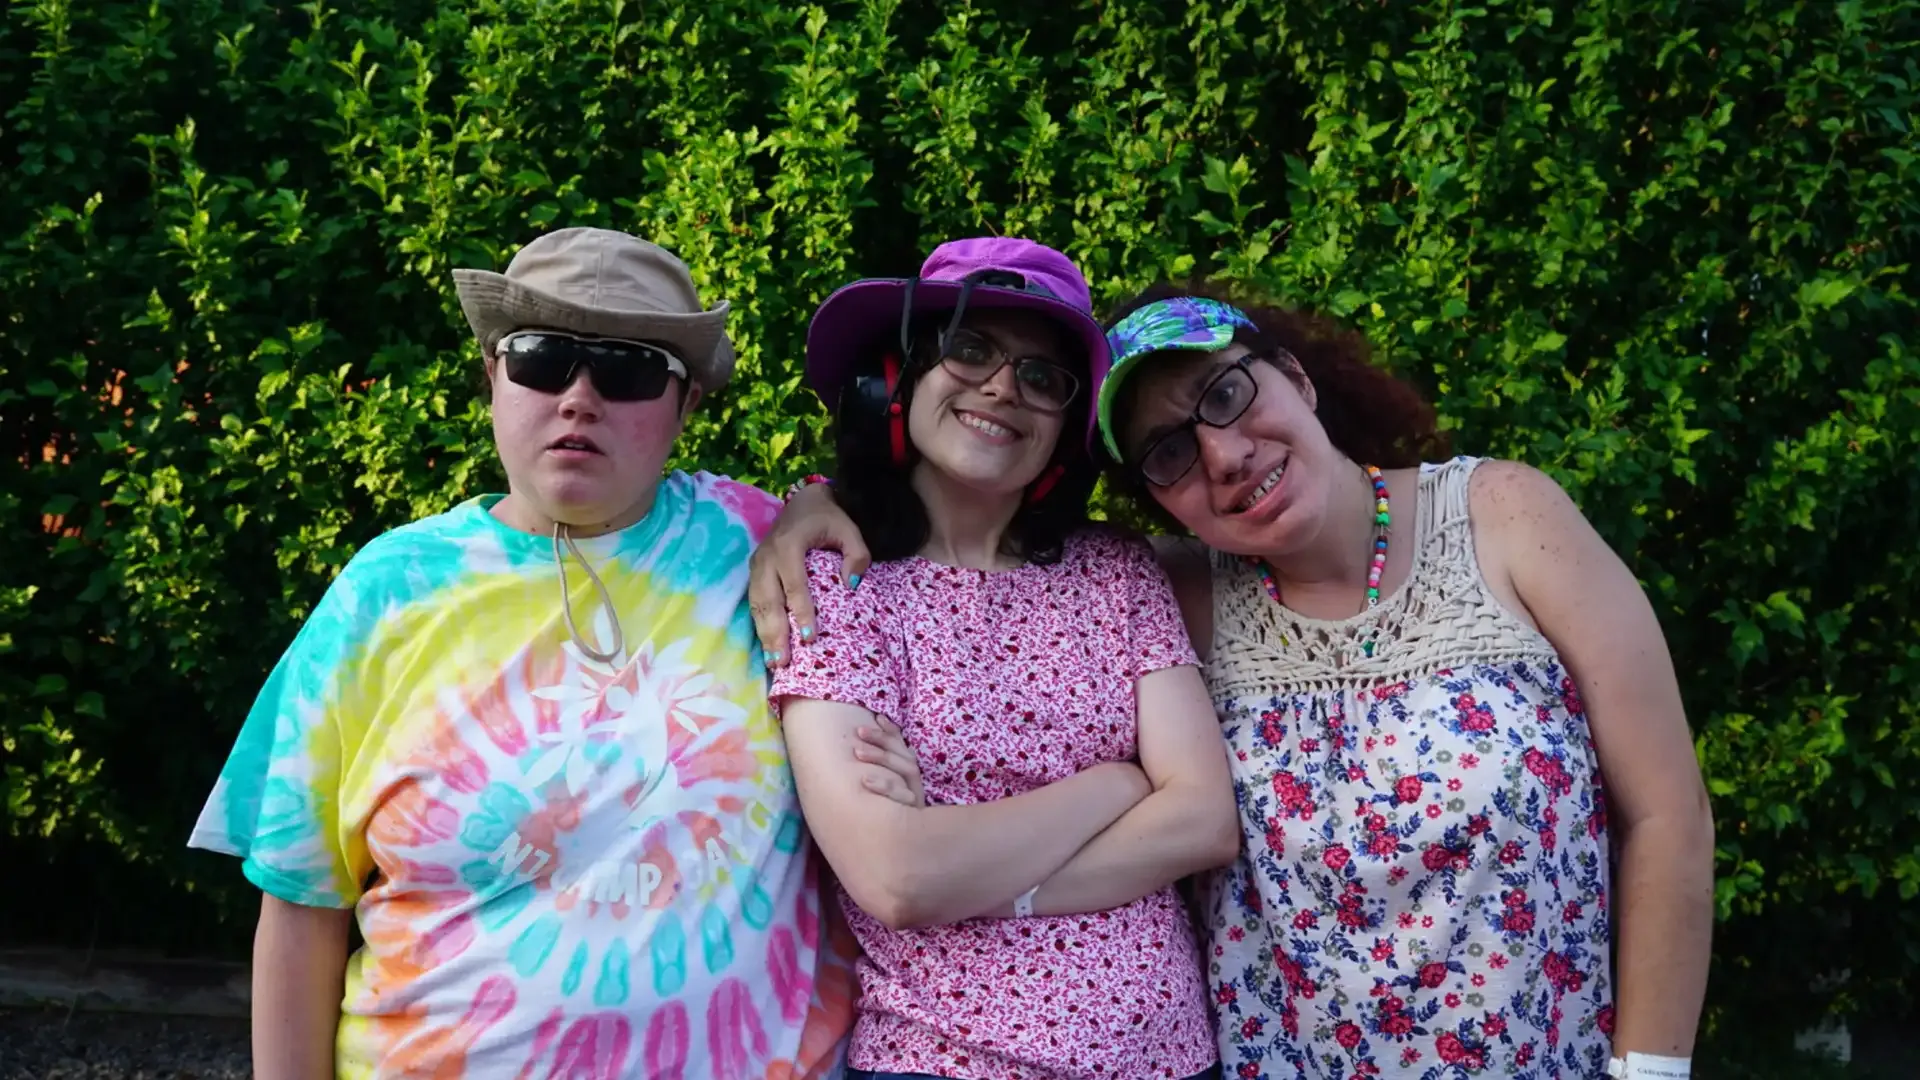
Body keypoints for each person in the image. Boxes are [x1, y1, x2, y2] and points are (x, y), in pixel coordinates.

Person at [756, 283, 1716, 1080]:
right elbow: (957, 513)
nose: (1221, 453)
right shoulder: (1185, 591)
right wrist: (813, 510)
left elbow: (1666, 817)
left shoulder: (1504, 518)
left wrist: (1652, 1072)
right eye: (1169, 454)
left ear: (1295, 378)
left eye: (1224, 395)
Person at [188, 227, 875, 1080]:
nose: (579, 397)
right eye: (542, 358)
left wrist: (818, 504)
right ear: (492, 375)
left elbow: (954, 521)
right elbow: (300, 903)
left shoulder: (759, 543)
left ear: (687, 403)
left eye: (627, 369)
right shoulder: (389, 590)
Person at [766, 238, 1238, 1080]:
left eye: (1042, 377)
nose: (1000, 387)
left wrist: (984, 874)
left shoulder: (1116, 572)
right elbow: (898, 875)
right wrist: (1119, 785)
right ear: (898, 376)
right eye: (969, 348)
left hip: (1168, 1059)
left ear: (1064, 432)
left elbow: (1203, 817)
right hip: (942, 1061)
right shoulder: (838, 578)